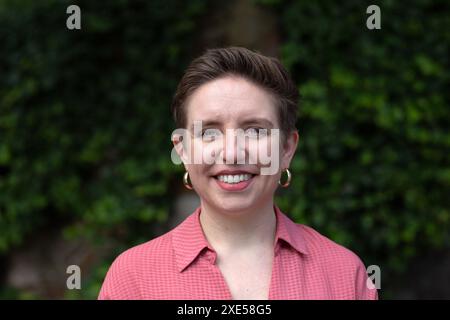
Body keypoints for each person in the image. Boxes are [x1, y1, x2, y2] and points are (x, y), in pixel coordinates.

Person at [98, 47, 378, 300]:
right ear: (182, 150)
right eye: (209, 132)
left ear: (287, 149)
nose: (232, 153)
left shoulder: (344, 274)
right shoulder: (133, 278)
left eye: (255, 130)